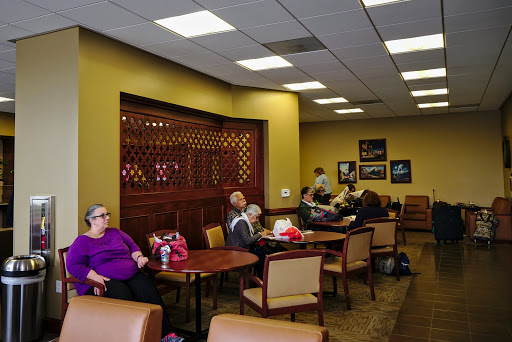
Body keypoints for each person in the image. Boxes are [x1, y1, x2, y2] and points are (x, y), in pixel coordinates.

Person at [66, 204, 183, 342]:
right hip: (102, 281)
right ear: (92, 220)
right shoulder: (82, 241)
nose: (107, 218)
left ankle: (166, 334)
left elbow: (133, 246)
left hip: (130, 274)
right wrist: (95, 277)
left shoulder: (115, 232)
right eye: (102, 215)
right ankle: (136, 338)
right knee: (125, 297)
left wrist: (139, 257)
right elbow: (73, 265)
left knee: (149, 291)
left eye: (107, 214)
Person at [225, 204, 269, 277]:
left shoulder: (244, 220)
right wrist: (260, 234)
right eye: (256, 217)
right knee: (263, 255)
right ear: (250, 214)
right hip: (236, 252)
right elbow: (247, 241)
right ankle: (261, 280)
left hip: (241, 249)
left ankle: (263, 279)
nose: (257, 220)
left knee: (265, 251)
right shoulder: (241, 222)